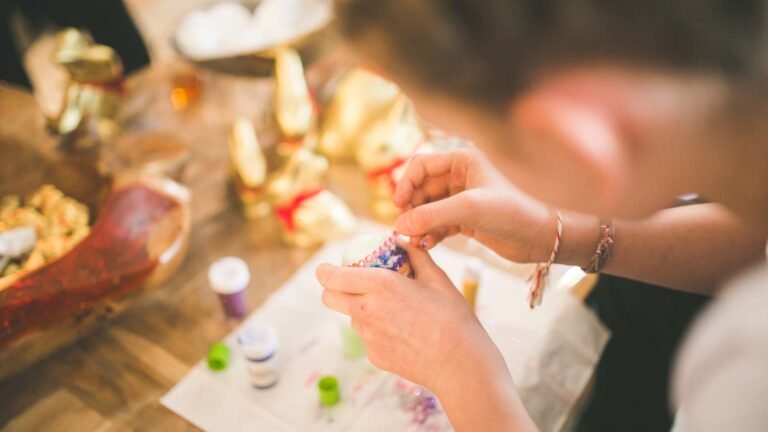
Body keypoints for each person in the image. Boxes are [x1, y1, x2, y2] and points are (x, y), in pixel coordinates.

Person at [315, 1, 768, 431]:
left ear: (575, 145)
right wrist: (567, 233)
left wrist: (462, 374)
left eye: (468, 137)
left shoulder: (745, 374)